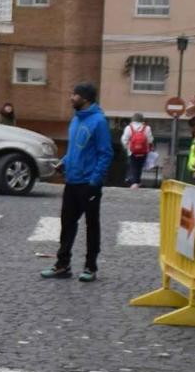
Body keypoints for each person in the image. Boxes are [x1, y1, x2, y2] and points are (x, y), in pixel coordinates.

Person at [43, 82, 112, 282]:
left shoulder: (98, 121)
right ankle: (62, 265)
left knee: (92, 225)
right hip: (72, 181)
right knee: (67, 224)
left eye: (74, 95)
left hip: (88, 183)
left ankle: (91, 267)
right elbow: (76, 149)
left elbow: (105, 154)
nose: (71, 98)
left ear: (85, 98)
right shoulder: (75, 119)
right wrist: (64, 163)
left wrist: (95, 181)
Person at [121, 113, 153, 188]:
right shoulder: (147, 128)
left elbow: (124, 140)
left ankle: (134, 183)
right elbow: (150, 140)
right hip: (143, 151)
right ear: (142, 120)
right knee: (139, 166)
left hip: (132, 151)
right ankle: (137, 181)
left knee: (133, 165)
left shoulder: (129, 128)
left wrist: (127, 147)